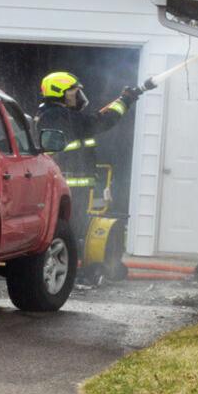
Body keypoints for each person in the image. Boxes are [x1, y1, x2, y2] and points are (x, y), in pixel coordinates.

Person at [35, 72, 148, 263]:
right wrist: (125, 101)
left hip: (69, 183)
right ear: (59, 93)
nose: (78, 95)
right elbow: (100, 122)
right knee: (71, 228)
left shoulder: (53, 114)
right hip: (69, 184)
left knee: (71, 227)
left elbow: (92, 121)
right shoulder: (59, 116)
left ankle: (69, 263)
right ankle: (69, 265)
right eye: (73, 91)